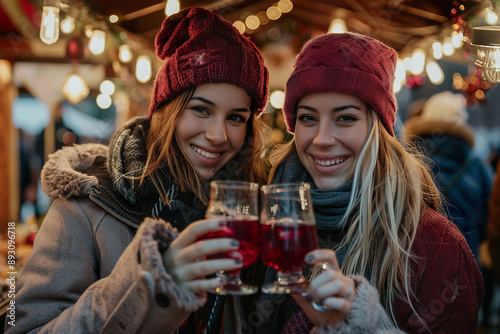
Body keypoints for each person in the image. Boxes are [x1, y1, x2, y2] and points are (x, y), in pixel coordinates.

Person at [7, 7, 269, 334]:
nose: (218, 135)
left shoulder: (254, 205)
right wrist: (148, 284)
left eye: (236, 117)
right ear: (166, 111)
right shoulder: (88, 203)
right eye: (201, 109)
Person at [252, 33, 483, 333]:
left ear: (379, 130)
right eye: (308, 118)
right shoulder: (270, 220)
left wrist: (363, 322)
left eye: (345, 118)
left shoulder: (436, 247)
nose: (322, 139)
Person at [404, 90, 493, 263]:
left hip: (415, 258)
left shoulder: (406, 160)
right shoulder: (477, 166)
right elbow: (487, 219)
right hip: (466, 256)